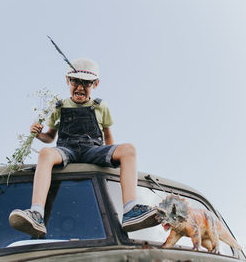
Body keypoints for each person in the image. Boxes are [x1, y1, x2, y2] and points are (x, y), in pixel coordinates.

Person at [9, 58, 156, 237]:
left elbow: (108, 135)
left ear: (95, 84)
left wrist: (111, 156)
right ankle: (37, 213)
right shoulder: (59, 106)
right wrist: (38, 134)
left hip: (92, 150)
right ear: (67, 81)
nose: (80, 87)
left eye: (86, 83)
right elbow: (50, 137)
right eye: (75, 81)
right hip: (66, 150)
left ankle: (130, 209)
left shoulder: (100, 106)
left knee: (129, 149)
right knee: (45, 154)